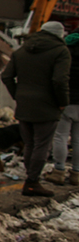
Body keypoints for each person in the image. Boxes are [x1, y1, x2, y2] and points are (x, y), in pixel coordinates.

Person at [2, 21, 71, 197]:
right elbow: (59, 80)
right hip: (47, 105)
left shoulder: (22, 51)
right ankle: (32, 182)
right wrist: (62, 101)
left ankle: (31, 178)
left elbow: (7, 76)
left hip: (24, 105)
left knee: (30, 144)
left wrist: (18, 95)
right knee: (43, 144)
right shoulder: (60, 51)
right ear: (59, 34)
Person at [46, 32, 79, 185]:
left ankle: (59, 171)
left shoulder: (63, 55)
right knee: (78, 140)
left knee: (61, 136)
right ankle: (76, 173)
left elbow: (58, 79)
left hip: (66, 102)